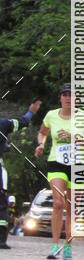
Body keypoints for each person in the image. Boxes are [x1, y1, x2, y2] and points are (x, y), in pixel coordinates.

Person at [35, 86, 81, 260]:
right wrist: (40, 144)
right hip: (56, 161)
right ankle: (55, 245)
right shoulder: (51, 115)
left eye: (71, 95)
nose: (68, 98)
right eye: (65, 95)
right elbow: (42, 132)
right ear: (60, 98)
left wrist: (72, 136)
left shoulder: (83, 117)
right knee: (57, 203)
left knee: (71, 207)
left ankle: (67, 245)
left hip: (78, 163)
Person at [0, 99, 41, 248]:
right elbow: (22, 122)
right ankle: (1, 240)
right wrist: (31, 112)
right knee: (1, 206)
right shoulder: (3, 124)